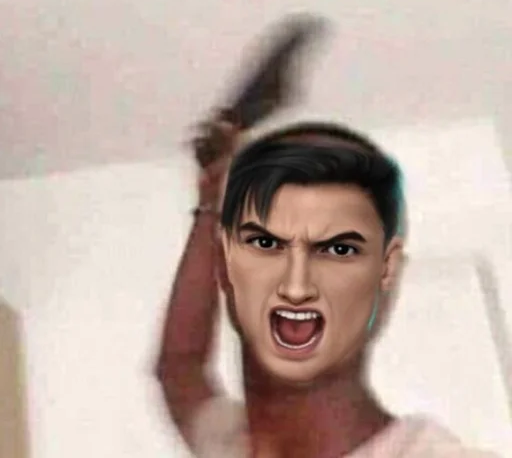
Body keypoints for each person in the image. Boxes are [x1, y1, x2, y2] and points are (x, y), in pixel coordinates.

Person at [156, 119, 499, 457]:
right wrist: (210, 203)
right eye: (267, 243)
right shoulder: (228, 445)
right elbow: (180, 366)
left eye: (338, 250)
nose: (296, 286)